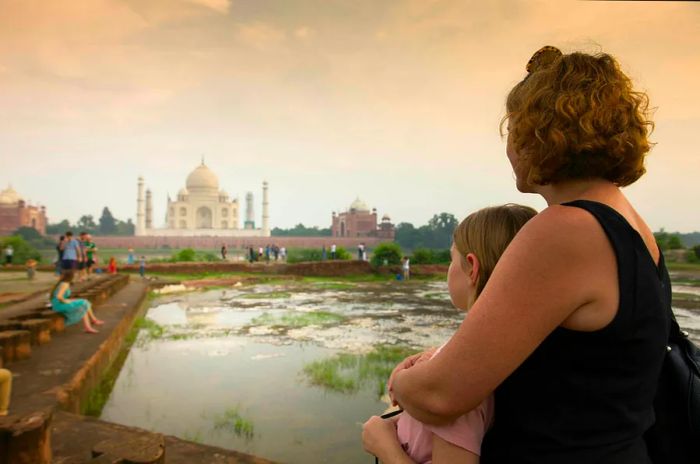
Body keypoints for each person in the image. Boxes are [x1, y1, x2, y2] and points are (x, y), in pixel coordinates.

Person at [384, 46, 666, 464]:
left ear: (541, 134)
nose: (510, 148)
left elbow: (439, 397)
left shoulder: (566, 230)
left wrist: (402, 381)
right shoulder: (631, 226)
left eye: (514, 130)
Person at [363, 204, 537, 463]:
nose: (448, 268)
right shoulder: (527, 347)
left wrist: (383, 444)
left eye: (450, 258)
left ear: (471, 268)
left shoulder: (462, 377)